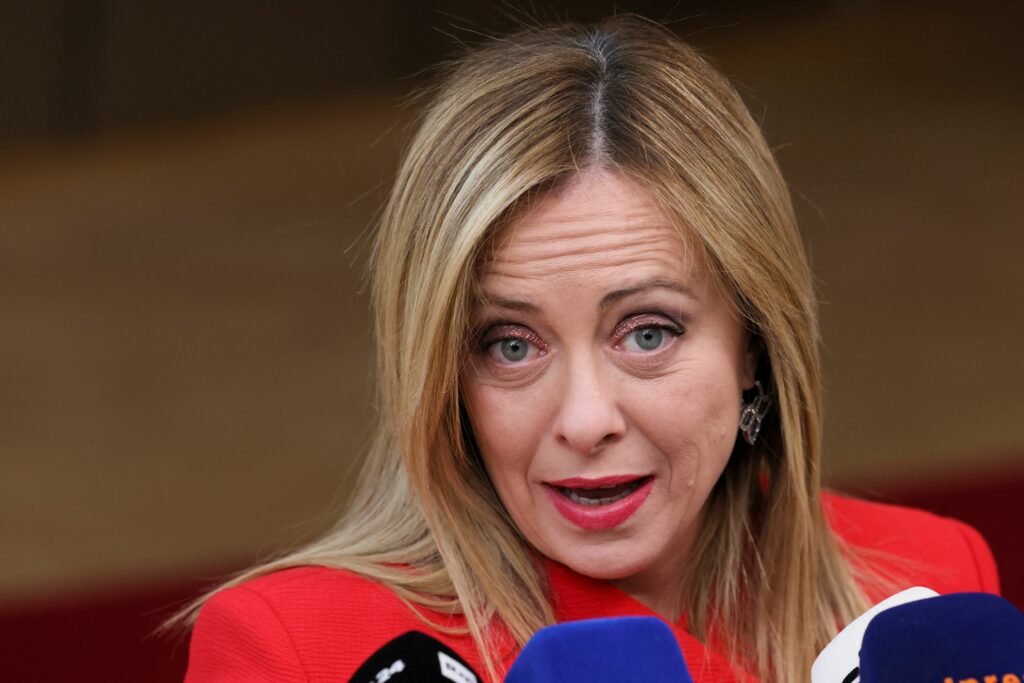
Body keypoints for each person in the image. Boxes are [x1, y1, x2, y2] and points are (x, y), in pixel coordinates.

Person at [180, 16, 999, 682]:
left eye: (648, 332)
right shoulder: (295, 649)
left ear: (754, 342)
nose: (584, 419)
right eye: (510, 344)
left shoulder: (922, 583)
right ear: (442, 377)